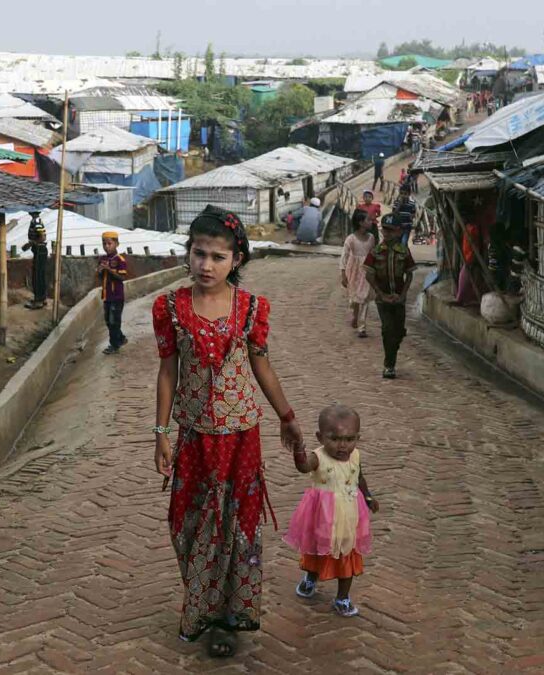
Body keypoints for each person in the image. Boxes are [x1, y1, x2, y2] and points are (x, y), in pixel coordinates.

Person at [152, 204, 305, 658]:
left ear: (236, 259)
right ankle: (201, 603)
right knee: (190, 525)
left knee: (235, 526)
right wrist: (161, 431)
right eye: (199, 254)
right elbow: (167, 372)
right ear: (189, 254)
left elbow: (261, 363)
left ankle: (224, 619)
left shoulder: (251, 308)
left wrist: (287, 416)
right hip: (195, 438)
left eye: (218, 257)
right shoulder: (170, 307)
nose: (206, 265)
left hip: (241, 438)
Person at [286, 404, 379, 617]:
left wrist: (368, 496)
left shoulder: (355, 456)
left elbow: (359, 477)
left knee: (348, 552)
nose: (342, 446)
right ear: (320, 437)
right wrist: (298, 448)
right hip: (323, 516)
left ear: (357, 437)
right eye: (335, 439)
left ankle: (342, 597)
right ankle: (311, 577)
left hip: (349, 516)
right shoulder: (318, 456)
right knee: (318, 548)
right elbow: (303, 467)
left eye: (349, 439)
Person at [364, 214, 417, 379]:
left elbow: (409, 274)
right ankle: (389, 365)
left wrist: (403, 295)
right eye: (384, 230)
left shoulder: (404, 251)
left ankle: (394, 348)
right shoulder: (376, 251)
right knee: (387, 330)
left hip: (399, 299)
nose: (387, 234)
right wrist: (381, 294)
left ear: (399, 231)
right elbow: (369, 275)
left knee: (398, 331)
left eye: (391, 231)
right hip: (383, 299)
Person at [340, 209, 375, 338]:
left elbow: (373, 254)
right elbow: (344, 257)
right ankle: (355, 315)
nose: (371, 222)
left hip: (367, 271)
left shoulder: (371, 238)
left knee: (365, 297)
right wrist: (343, 274)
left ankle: (362, 326)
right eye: (368, 220)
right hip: (353, 271)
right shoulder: (351, 239)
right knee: (355, 298)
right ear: (361, 222)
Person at [98, 231, 129, 354]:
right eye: (104, 244)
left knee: (114, 321)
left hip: (117, 296)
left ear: (116, 244)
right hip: (107, 295)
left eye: (109, 243)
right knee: (107, 320)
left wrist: (109, 270)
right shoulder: (102, 259)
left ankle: (114, 345)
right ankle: (120, 338)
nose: (106, 246)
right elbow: (100, 277)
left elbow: (122, 277)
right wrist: (100, 271)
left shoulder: (120, 260)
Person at [21, 211, 48, 309]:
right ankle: (42, 298)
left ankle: (38, 301)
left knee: (38, 276)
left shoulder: (36, 221)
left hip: (39, 249)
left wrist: (30, 244)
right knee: (40, 275)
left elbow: (42, 237)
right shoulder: (36, 221)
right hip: (40, 249)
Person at [455, 222, 484, 306]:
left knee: (468, 277)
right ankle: (463, 298)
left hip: (471, 256)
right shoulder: (469, 228)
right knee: (467, 277)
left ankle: (463, 298)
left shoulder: (472, 228)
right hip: (469, 256)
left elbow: (475, 243)